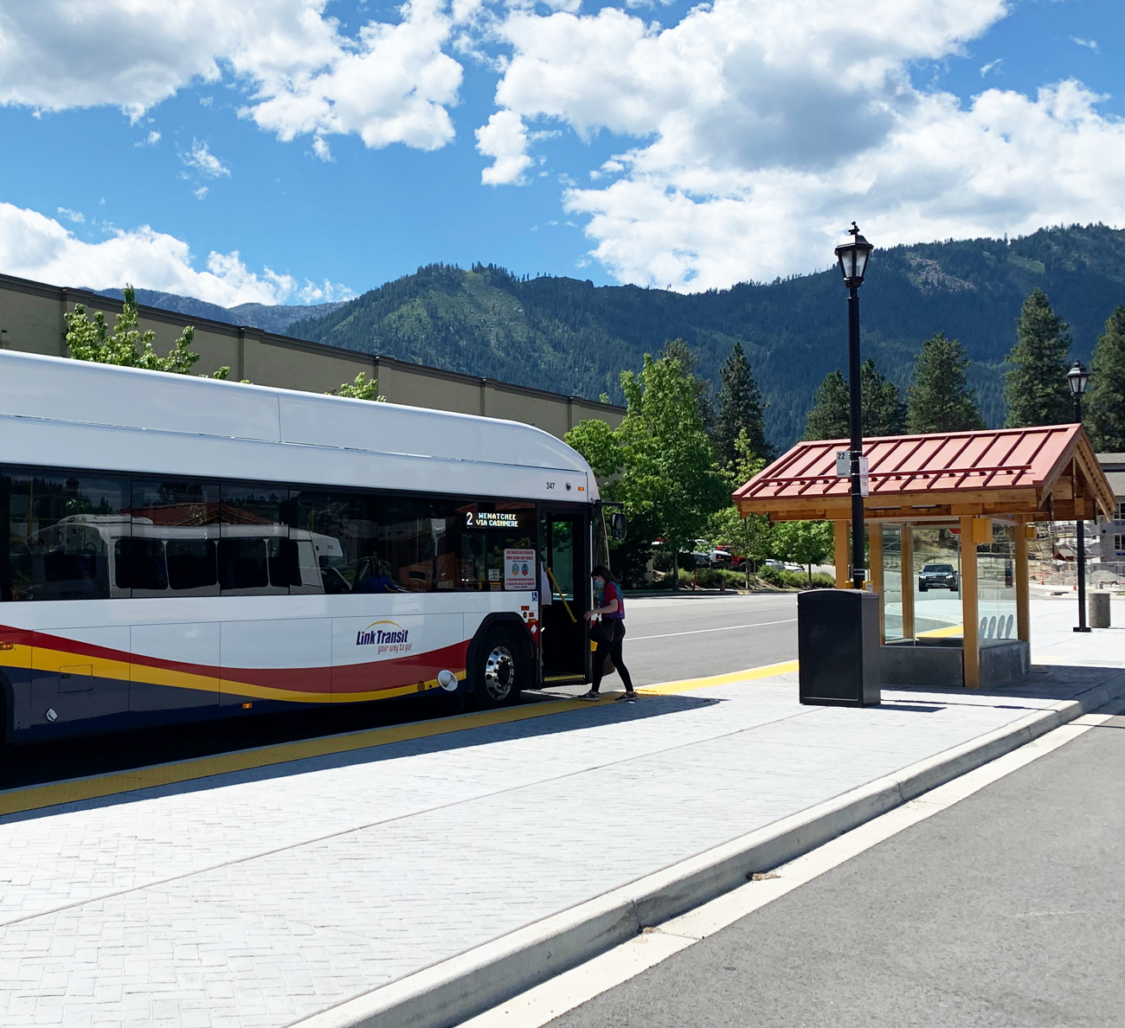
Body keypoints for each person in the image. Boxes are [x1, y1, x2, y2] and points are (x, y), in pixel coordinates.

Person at [579, 564, 636, 702]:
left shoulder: (610, 587)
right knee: (616, 660)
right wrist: (597, 595)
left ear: (602, 576)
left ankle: (594, 692)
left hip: (611, 627)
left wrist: (594, 611)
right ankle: (630, 691)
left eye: (596, 579)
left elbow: (613, 607)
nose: (595, 582)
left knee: (599, 659)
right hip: (616, 627)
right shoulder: (609, 586)